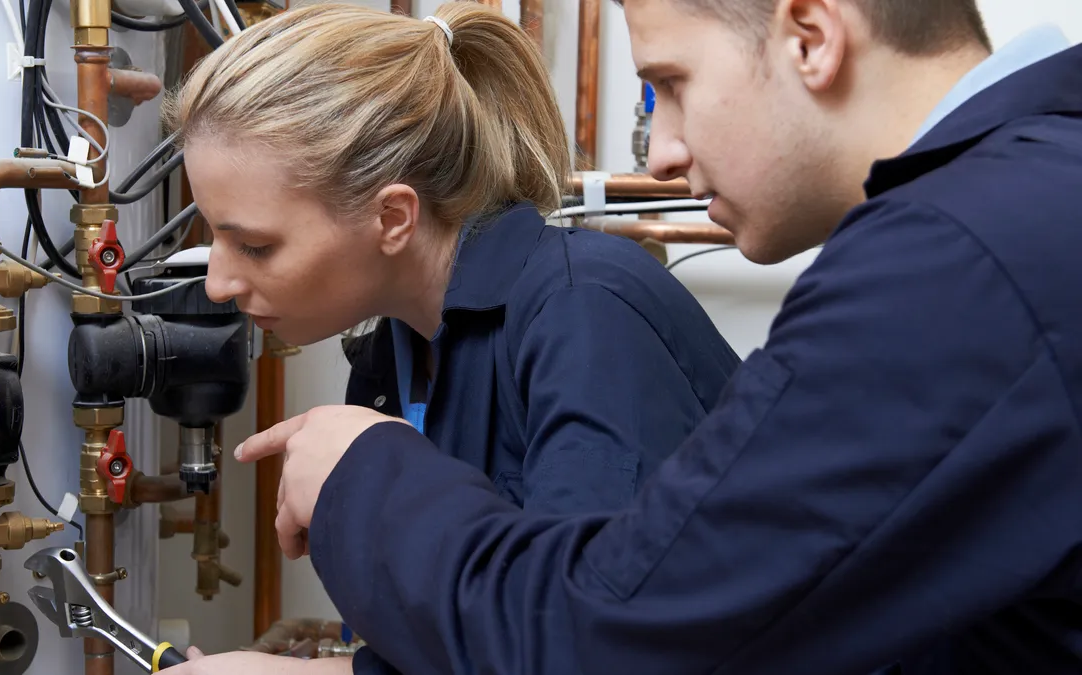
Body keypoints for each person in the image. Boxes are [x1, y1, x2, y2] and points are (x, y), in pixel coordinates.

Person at [169, 0, 1082, 673]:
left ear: (812, 34)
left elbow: (607, 639)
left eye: (672, 86)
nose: (664, 154)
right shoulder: (1019, 211)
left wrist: (361, 470)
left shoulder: (957, 255)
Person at [162, 2, 742, 673]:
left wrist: (368, 470)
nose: (218, 283)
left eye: (255, 245)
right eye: (215, 238)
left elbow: (589, 648)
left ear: (393, 217)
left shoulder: (585, 315)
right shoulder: (392, 363)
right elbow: (455, 641)